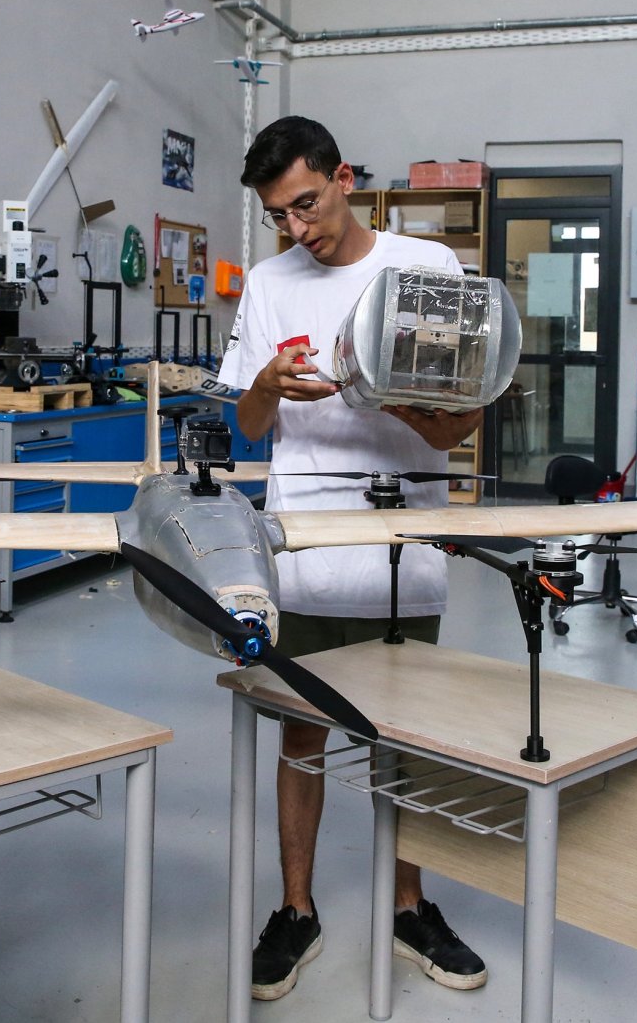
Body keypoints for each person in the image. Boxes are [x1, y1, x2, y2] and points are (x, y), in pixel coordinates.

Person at [216, 117, 488, 1001]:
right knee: (303, 732)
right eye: (279, 216)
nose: (298, 229)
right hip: (303, 545)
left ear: (342, 178)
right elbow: (248, 428)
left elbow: (464, 425)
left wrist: (386, 397)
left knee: (404, 737)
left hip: (403, 544)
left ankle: (410, 905)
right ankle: (296, 910)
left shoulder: (426, 272)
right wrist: (263, 386)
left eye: (307, 204)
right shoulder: (267, 284)